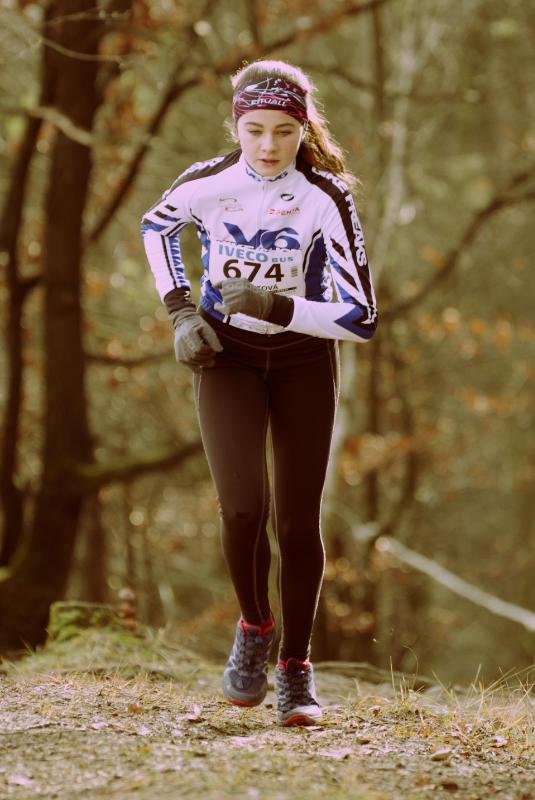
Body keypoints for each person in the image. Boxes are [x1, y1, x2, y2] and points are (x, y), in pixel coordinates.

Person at [141, 59, 378, 727]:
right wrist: (181, 313)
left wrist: (276, 306)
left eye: (283, 131)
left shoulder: (325, 197)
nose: (269, 145)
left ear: (303, 130)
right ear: (236, 126)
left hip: (303, 359)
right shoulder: (206, 183)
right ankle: (254, 626)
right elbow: (155, 226)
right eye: (254, 130)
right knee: (243, 510)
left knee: (297, 523)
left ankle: (296, 671)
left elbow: (361, 317)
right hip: (227, 357)